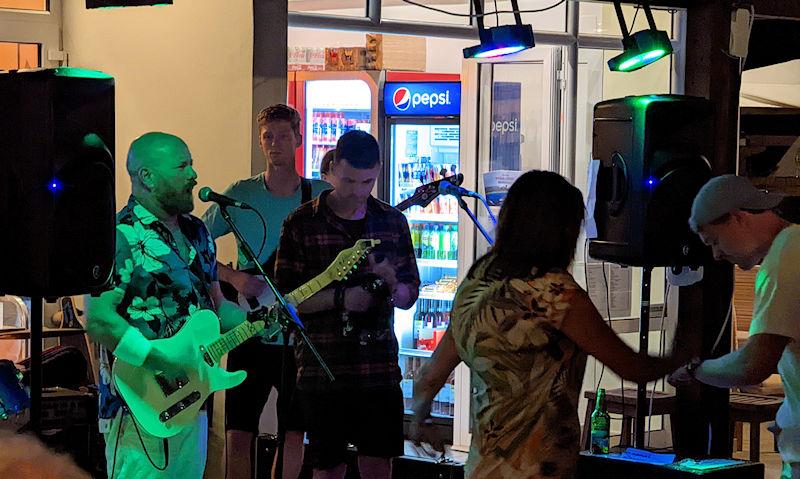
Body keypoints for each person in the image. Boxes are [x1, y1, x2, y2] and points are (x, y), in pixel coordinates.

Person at [413, 170, 687, 478]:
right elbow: (631, 368)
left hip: (482, 469)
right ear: (562, 231)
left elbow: (429, 376)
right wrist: (685, 355)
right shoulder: (555, 294)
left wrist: (419, 421)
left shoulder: (476, 283)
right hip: (539, 471)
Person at [86, 132, 246, 478]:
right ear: (147, 177)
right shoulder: (120, 235)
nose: (194, 175)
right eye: (182, 165)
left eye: (192, 164)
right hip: (138, 408)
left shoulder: (197, 231)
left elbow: (217, 308)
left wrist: (259, 319)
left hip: (192, 400)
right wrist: (160, 360)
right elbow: (99, 320)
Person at [275, 130, 420, 479]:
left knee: (377, 463)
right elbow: (286, 302)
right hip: (323, 369)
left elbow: (410, 295)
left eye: (367, 181)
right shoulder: (301, 224)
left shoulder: (392, 222)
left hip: (378, 368)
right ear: (332, 168)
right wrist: (341, 298)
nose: (357, 191)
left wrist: (391, 285)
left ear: (380, 171)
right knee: (327, 467)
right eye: (349, 180)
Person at [202, 104, 330, 479]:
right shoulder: (239, 194)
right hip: (249, 328)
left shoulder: (318, 195)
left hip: (298, 333)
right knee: (238, 431)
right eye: (268, 137)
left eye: (283, 136)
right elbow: (193, 245)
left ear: (298, 139)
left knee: (294, 431)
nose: (275, 144)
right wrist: (234, 278)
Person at [669, 174, 799, 479]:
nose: (716, 255)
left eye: (714, 240)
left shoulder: (786, 253)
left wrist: (694, 371)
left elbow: (753, 365)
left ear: (737, 218)